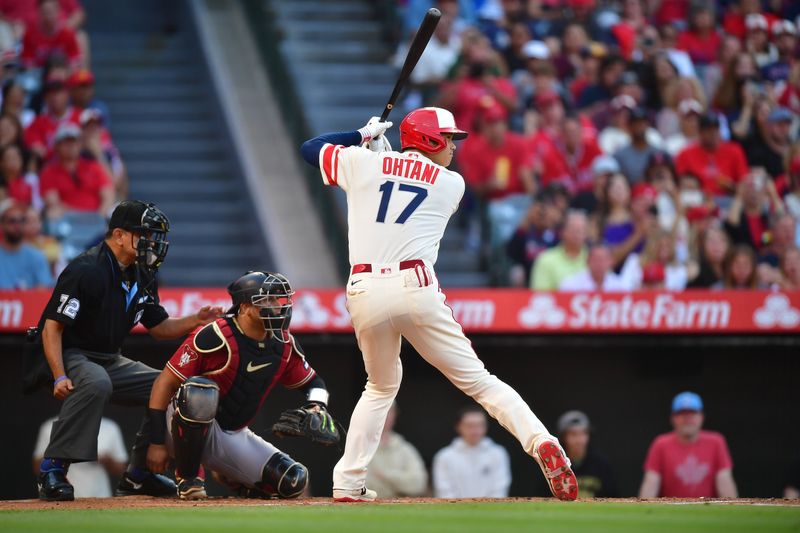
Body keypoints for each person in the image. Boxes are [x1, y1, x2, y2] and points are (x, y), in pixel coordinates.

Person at [300, 108, 578, 502]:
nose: (452, 145)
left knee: (379, 386)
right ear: (429, 140)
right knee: (479, 382)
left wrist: (361, 136)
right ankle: (541, 442)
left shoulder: (364, 162)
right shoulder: (452, 184)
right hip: (415, 287)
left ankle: (347, 481)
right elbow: (402, 179)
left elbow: (311, 148)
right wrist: (381, 155)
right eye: (447, 137)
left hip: (363, 288)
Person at [24, 200, 224, 501]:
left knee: (168, 386)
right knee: (96, 381)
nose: (152, 243)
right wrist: (58, 375)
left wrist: (195, 320)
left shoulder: (142, 273)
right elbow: (52, 327)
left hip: (108, 357)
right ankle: (52, 470)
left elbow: (159, 327)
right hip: (71, 352)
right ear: (119, 235)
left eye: (155, 236)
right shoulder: (85, 269)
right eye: (145, 235)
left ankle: (139, 475)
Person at [145, 271, 331, 500]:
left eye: (277, 299)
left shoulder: (283, 343)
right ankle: (189, 477)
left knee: (293, 480)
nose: (276, 306)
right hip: (178, 426)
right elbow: (163, 383)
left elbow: (316, 382)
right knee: (199, 392)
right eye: (266, 300)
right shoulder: (214, 335)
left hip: (230, 433)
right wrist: (156, 443)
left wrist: (318, 406)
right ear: (244, 307)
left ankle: (231, 477)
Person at [639, 392, 737, 499]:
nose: (687, 419)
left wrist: (734, 511)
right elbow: (651, 484)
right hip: (671, 512)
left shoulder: (716, 442)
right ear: (673, 418)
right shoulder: (660, 444)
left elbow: (725, 482)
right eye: (682, 413)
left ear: (702, 417)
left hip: (708, 510)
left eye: (692, 413)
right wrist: (644, 511)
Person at [33, 416, 127, 498]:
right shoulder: (50, 426)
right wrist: (63, 454)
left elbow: (121, 468)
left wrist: (105, 460)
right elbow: (37, 466)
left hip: (100, 495)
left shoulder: (110, 427)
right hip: (63, 496)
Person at [432, 406, 511, 498]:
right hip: (455, 510)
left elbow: (499, 489)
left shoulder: (498, 453)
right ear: (458, 427)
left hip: (491, 510)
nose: (475, 430)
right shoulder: (444, 456)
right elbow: (444, 491)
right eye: (469, 426)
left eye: (479, 425)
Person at [40, 123, 114, 219]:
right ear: (57, 146)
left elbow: (108, 195)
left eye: (74, 141)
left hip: (96, 218)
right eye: (66, 142)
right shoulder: (49, 172)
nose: (71, 145)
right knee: (53, 212)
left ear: (80, 145)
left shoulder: (94, 167)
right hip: (66, 220)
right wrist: (80, 218)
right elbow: (53, 202)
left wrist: (99, 216)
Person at [675, 114, 749, 198]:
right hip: (698, 201)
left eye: (715, 129)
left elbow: (744, 181)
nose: (713, 133)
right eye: (708, 130)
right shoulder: (685, 154)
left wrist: (733, 187)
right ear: (700, 132)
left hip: (728, 199)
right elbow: (680, 184)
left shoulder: (734, 150)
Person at [365, 402, 428, 499]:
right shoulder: (361, 448)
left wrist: (386, 476)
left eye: (389, 411)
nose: (385, 415)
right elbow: (355, 486)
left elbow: (419, 483)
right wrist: (400, 484)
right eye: (380, 410)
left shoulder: (406, 449)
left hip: (402, 509)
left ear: (395, 414)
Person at [556, 410, 618, 498]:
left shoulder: (601, 464)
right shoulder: (554, 465)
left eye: (583, 433)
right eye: (573, 434)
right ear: (563, 437)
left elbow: (613, 496)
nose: (579, 440)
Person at [531, 209, 589, 291]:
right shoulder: (545, 259)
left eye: (581, 230)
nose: (577, 234)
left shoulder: (596, 259)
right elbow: (540, 295)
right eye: (573, 229)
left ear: (587, 233)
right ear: (562, 232)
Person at [0, 200, 53, 288]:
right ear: (2, 224)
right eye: (12, 221)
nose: (17, 226)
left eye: (21, 221)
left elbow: (44, 289)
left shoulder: (37, 256)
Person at [559, 243, 630, 291]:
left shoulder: (620, 286)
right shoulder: (570, 285)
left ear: (610, 262)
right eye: (595, 260)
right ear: (587, 261)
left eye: (602, 260)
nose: (599, 264)